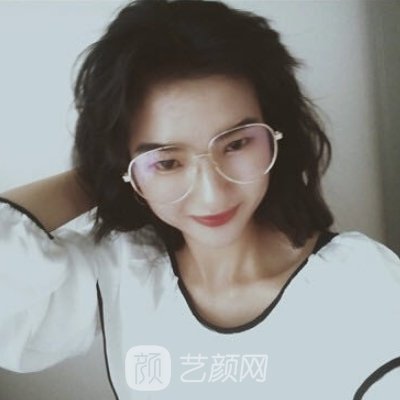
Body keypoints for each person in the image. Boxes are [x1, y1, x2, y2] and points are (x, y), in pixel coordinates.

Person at [0, 0, 399, 399]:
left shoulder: (357, 285)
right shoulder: (126, 270)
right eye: (167, 161)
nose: (212, 193)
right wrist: (102, 175)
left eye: (237, 144)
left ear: (277, 131)